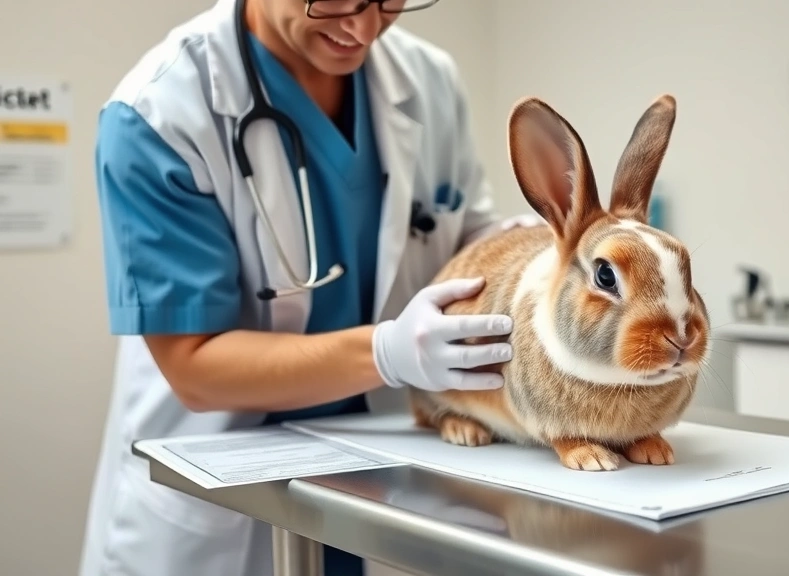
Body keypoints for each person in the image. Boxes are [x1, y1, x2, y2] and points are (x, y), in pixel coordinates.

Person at [77, 0, 542, 575]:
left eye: (391, 1)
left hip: (378, 487)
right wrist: (386, 353)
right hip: (227, 507)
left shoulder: (429, 79)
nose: (365, 28)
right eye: (335, 1)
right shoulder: (158, 112)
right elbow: (194, 367)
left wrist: (532, 251)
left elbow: (458, 236)